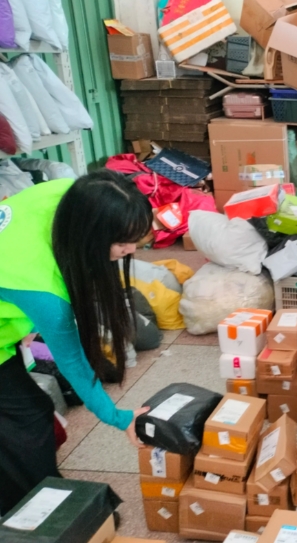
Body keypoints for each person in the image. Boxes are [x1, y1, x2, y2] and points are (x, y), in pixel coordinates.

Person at [0, 170, 153, 513]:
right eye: (121, 243)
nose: (131, 250)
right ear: (89, 234)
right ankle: (43, 518)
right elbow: (72, 363)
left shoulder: (73, 195)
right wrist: (117, 417)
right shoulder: (44, 292)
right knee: (29, 421)